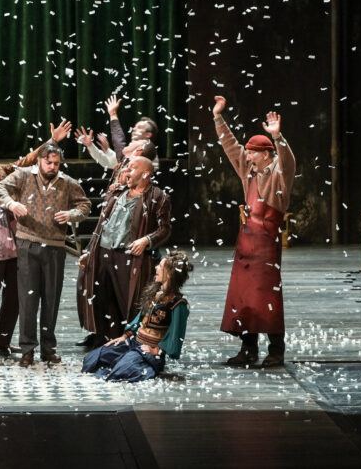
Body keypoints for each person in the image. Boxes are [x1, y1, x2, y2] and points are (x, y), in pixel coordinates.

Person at [0, 120, 72, 360]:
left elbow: (25, 162)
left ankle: (0, 341)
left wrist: (51, 142)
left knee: (17, 296)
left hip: (11, 241)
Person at [212, 95, 296, 367]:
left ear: (266, 154)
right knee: (245, 297)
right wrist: (218, 117)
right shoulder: (247, 170)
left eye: (252, 152)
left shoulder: (279, 173)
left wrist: (278, 136)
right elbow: (230, 146)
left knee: (267, 296)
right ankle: (248, 349)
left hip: (266, 244)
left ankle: (276, 350)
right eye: (247, 152)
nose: (247, 156)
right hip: (246, 243)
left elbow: (288, 161)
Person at [0, 143, 90, 366]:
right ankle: (27, 349)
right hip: (28, 243)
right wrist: (11, 203)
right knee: (28, 300)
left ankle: (48, 349)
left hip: (55, 247)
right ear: (39, 161)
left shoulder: (67, 182)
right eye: (49, 162)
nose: (53, 167)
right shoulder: (24, 176)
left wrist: (72, 214)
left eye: (56, 163)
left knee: (51, 298)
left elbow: (85, 205)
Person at [76, 156, 171, 348]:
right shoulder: (117, 192)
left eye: (132, 168)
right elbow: (101, 225)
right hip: (103, 252)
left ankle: (130, 341)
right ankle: (105, 342)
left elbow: (165, 229)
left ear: (145, 174)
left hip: (129, 257)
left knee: (128, 301)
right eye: (126, 168)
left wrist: (147, 240)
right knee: (102, 298)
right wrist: (89, 251)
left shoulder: (158, 197)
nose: (126, 171)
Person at [81, 251, 193, 382]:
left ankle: (144, 366)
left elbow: (176, 335)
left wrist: (156, 351)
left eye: (160, 266)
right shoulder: (155, 294)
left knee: (122, 370)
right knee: (94, 357)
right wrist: (124, 337)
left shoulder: (178, 304)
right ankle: (125, 360)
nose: (156, 267)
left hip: (148, 351)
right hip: (133, 343)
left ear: (169, 273)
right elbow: (140, 319)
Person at [104, 95, 159, 165]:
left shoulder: (148, 160)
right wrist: (113, 114)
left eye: (139, 127)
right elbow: (119, 142)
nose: (134, 129)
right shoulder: (128, 160)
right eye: (135, 127)